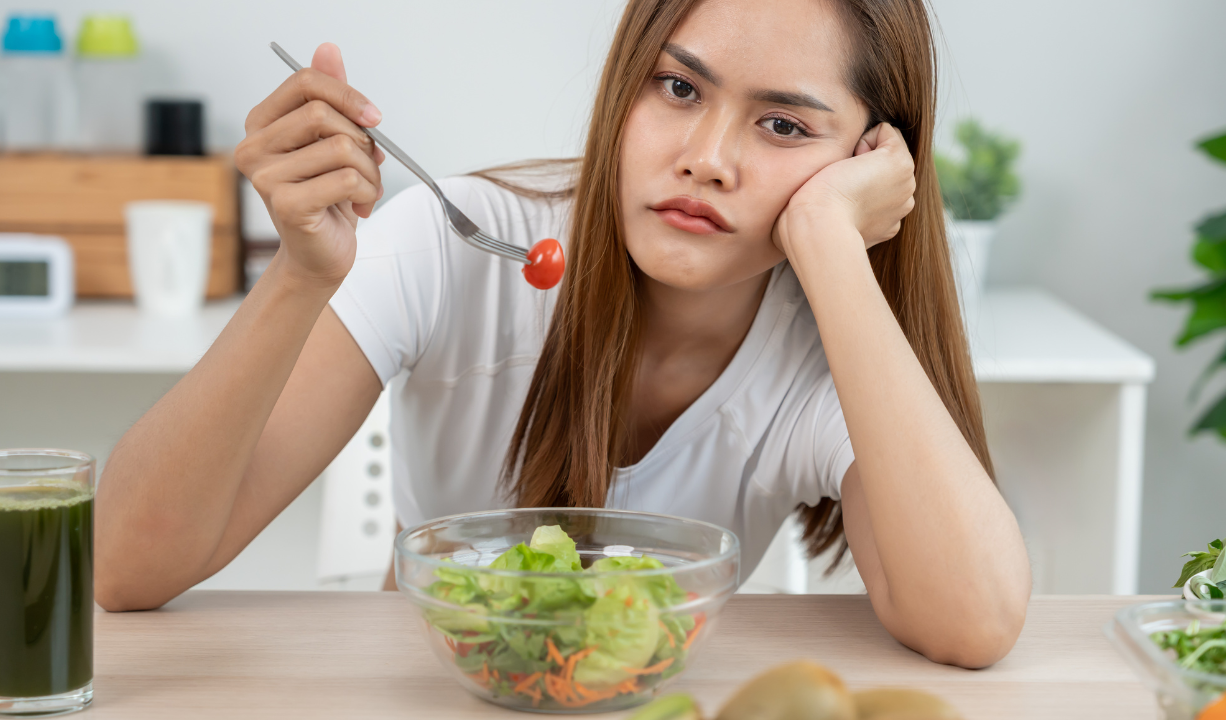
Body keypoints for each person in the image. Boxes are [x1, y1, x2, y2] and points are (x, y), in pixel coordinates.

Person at [95, 0, 1031, 668]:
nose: (705, 158)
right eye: (676, 87)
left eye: (784, 124)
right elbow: (124, 568)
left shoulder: (827, 349)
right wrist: (300, 277)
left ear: (873, 164)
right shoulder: (453, 243)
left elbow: (974, 621)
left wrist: (830, 244)